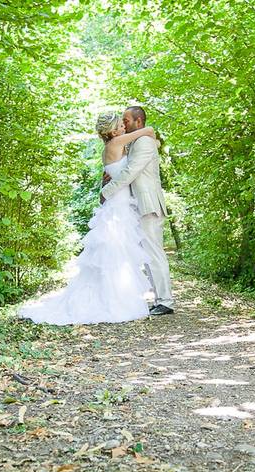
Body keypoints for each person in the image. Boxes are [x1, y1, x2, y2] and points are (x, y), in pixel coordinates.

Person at [18, 112, 155, 325]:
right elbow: (148, 131)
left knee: (117, 253)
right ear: (111, 131)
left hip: (118, 202)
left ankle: (117, 298)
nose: (123, 127)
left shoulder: (112, 146)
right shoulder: (117, 141)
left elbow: (117, 169)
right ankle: (114, 302)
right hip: (118, 204)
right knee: (116, 253)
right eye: (120, 125)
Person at [100, 106, 174, 315]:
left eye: (127, 121)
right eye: (122, 122)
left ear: (138, 122)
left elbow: (132, 171)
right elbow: (123, 168)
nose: (124, 125)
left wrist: (107, 191)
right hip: (136, 205)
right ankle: (159, 298)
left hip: (148, 204)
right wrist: (110, 175)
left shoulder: (144, 142)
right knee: (146, 254)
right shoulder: (132, 142)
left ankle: (166, 301)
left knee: (154, 253)